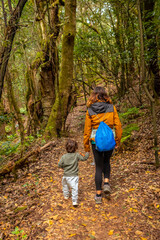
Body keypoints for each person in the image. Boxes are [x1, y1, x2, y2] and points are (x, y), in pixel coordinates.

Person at [83, 86, 122, 204]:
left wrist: (86, 147)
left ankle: (98, 195)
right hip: (110, 140)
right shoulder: (112, 107)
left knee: (98, 166)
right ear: (105, 95)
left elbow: (87, 130)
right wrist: (117, 141)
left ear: (93, 96)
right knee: (107, 162)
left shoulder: (90, 110)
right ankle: (106, 183)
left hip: (96, 141)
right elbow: (118, 126)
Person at [58, 139, 89, 206]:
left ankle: (66, 196)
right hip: (74, 176)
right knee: (74, 188)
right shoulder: (77, 155)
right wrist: (87, 153)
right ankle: (74, 201)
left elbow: (59, 165)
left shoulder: (64, 157)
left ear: (66, 148)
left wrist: (64, 167)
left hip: (65, 176)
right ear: (75, 148)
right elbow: (84, 158)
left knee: (65, 186)